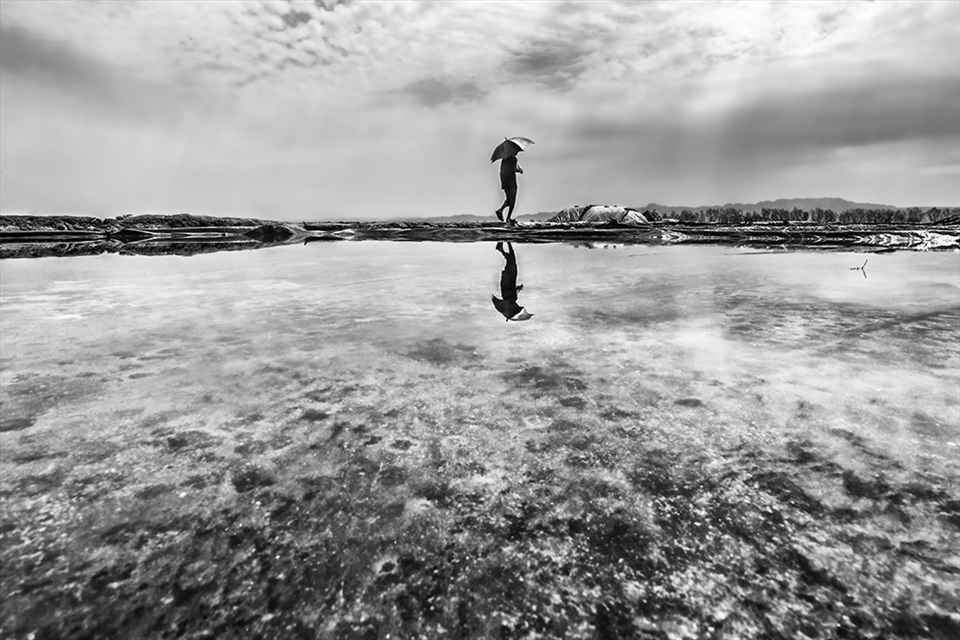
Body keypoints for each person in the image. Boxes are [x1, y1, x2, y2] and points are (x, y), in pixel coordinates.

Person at [491, 242, 533, 321]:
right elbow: (511, 290)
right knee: (510, 261)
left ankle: (509, 243)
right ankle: (501, 249)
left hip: (509, 277)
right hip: (509, 278)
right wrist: (518, 289)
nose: (517, 306)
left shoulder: (510, 299)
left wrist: (517, 288)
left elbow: (509, 290)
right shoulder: (511, 299)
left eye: (515, 308)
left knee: (512, 261)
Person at [495, 151, 523, 226]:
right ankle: (508, 217)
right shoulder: (513, 159)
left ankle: (501, 211)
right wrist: (519, 170)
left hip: (504, 180)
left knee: (509, 199)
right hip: (511, 181)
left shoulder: (504, 160)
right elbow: (514, 169)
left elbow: (501, 171)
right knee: (512, 199)